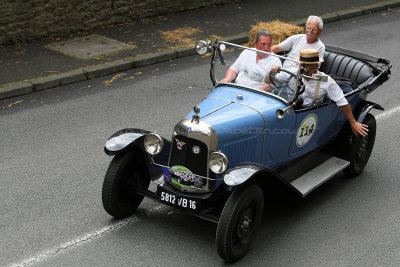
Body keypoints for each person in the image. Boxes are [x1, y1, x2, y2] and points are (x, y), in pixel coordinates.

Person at [297, 49, 368, 136]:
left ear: (315, 66)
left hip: (308, 114)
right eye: (302, 64)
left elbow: (342, 101)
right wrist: (275, 70)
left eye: (306, 65)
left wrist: (353, 123)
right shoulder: (294, 72)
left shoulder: (326, 81)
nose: (302, 67)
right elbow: (278, 78)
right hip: (292, 107)